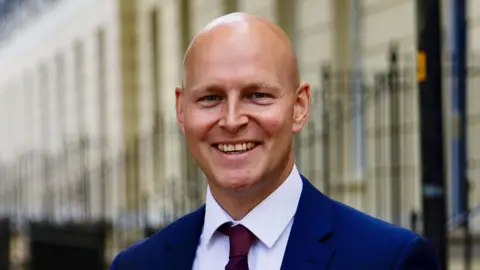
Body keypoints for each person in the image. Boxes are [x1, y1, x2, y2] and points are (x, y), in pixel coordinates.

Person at [110, 12, 440, 270]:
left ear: (299, 107)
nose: (232, 120)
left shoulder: (388, 261)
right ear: (182, 111)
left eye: (257, 95)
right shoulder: (139, 265)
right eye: (211, 98)